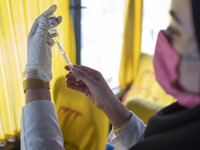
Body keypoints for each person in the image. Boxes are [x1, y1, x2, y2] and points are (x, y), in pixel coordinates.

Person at [20, 0, 200, 150]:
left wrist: (36, 77)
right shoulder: (188, 123)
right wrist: (109, 102)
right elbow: (149, 141)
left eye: (176, 29)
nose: (163, 36)